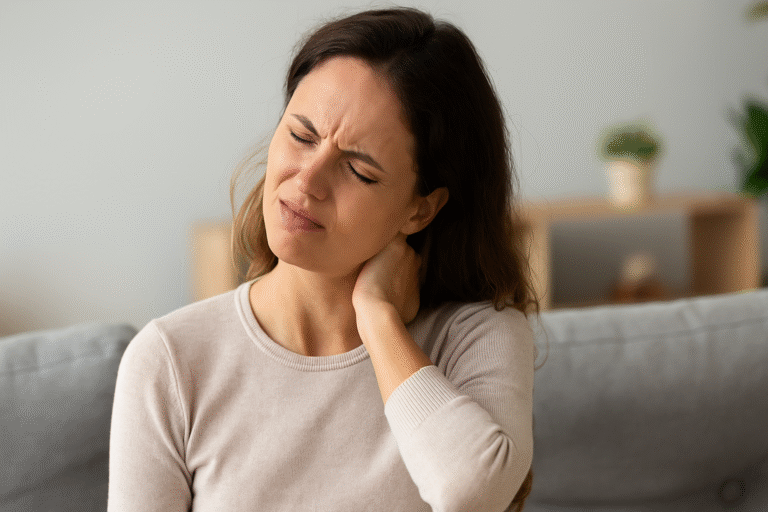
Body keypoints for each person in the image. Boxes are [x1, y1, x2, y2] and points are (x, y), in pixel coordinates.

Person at [108, 6, 539, 512]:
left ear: (420, 209)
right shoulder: (170, 360)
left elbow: (474, 492)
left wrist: (378, 319)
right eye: (301, 136)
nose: (307, 181)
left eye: (358, 171)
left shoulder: (474, 339)